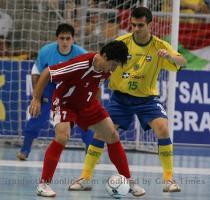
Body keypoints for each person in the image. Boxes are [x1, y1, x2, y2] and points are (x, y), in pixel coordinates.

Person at [69, 7, 187, 193]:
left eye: (140, 25)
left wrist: (170, 56)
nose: (136, 29)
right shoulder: (121, 43)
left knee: (163, 128)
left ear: (150, 24)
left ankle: (169, 179)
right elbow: (102, 64)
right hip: (120, 99)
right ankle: (85, 177)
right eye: (133, 25)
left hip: (147, 99)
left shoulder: (160, 47)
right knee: (102, 133)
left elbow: (183, 62)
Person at [29, 40, 145, 197]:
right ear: (103, 56)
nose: (114, 68)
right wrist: (36, 98)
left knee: (112, 135)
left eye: (117, 65)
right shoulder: (81, 63)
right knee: (63, 136)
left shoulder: (107, 70)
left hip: (88, 103)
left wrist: (98, 106)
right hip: (65, 102)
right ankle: (43, 184)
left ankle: (129, 182)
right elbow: (47, 73)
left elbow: (97, 84)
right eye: (113, 64)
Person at [17, 23, 94, 160]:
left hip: (72, 88)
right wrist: (36, 98)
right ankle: (25, 150)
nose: (65, 42)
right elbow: (36, 73)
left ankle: (90, 152)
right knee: (36, 114)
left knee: (85, 117)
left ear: (73, 39)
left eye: (68, 38)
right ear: (56, 38)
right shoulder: (46, 52)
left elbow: (90, 77)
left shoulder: (82, 54)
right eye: (62, 38)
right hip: (50, 85)